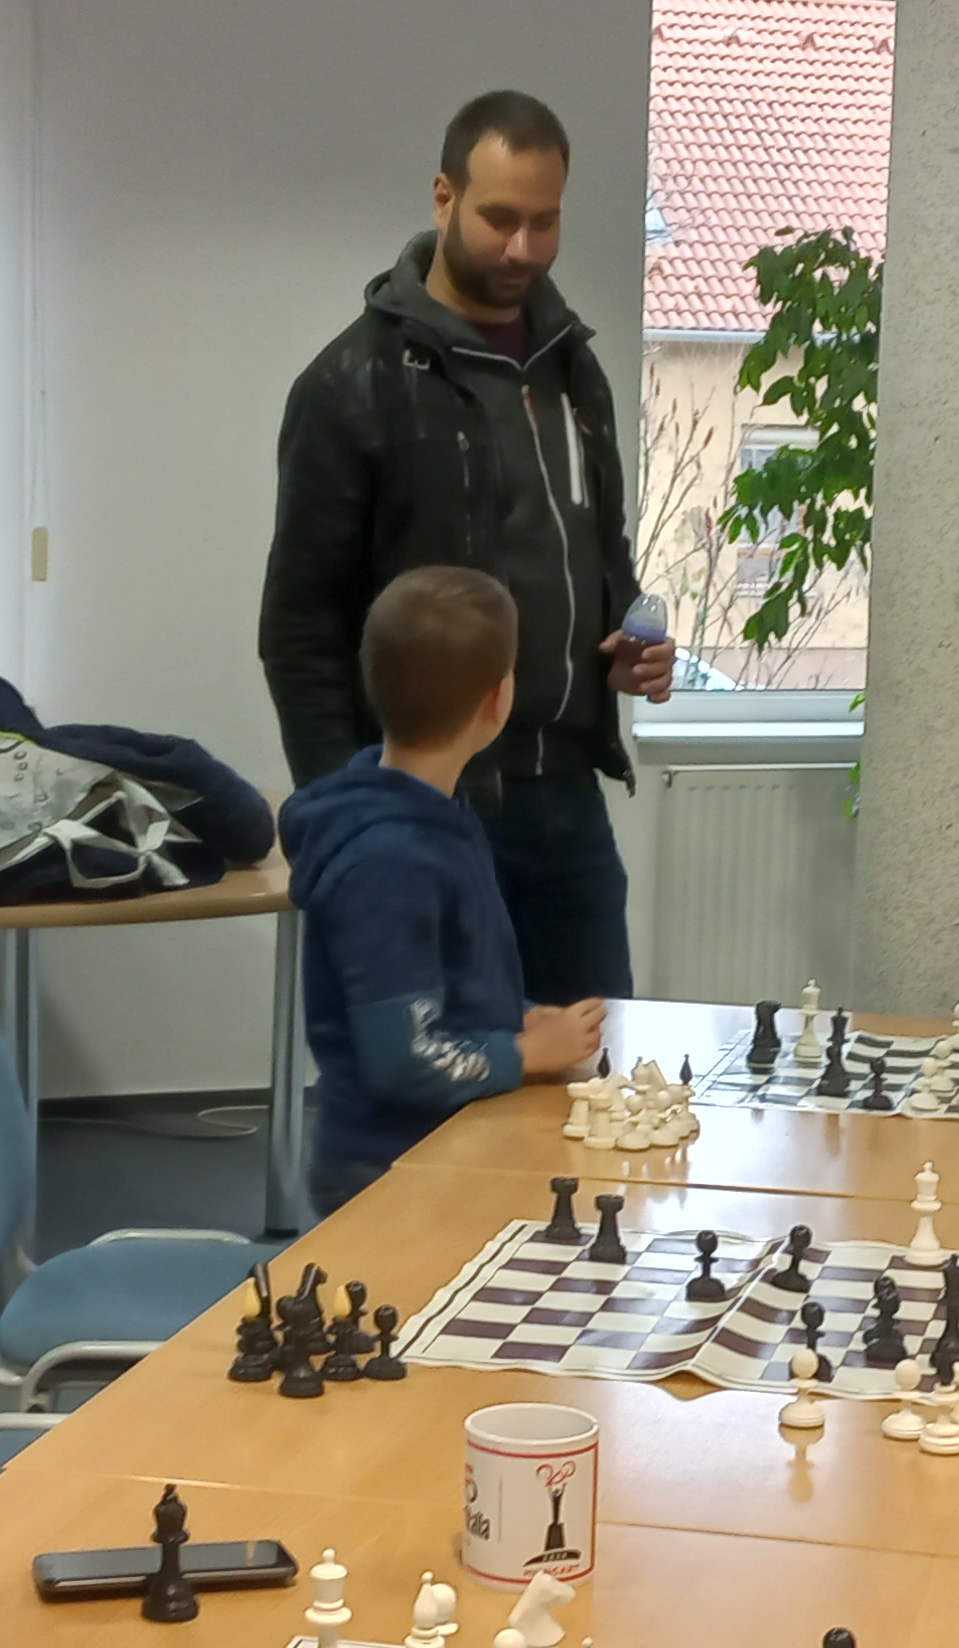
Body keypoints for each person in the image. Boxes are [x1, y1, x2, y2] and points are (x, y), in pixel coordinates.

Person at [261, 89, 674, 1007]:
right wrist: (343, 819)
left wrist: (627, 639)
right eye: (499, 219)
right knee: (444, 1071)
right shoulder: (348, 386)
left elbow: (597, 548)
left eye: (545, 221)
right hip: (422, 803)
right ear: (444, 198)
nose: (523, 248)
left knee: (591, 1064)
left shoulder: (577, 374)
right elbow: (298, 631)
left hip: (567, 801)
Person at [280, 568, 608, 1207]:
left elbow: (434, 983)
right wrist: (523, 1053)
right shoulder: (391, 860)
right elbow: (403, 1058)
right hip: (387, 1173)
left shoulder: (432, 809)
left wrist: (510, 1015)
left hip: (443, 1143)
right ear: (498, 699)